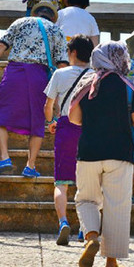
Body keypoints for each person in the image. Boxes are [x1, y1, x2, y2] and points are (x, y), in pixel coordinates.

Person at [68, 41, 134, 267]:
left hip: (88, 152)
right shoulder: (127, 85)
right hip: (119, 153)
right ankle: (111, 263)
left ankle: (92, 237)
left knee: (86, 199)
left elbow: (73, 118)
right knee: (117, 206)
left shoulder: (87, 84)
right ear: (121, 59)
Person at [0, 1, 67, 177]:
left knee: (0, 115)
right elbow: (62, 63)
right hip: (39, 76)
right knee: (37, 120)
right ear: (52, 17)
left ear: (34, 14)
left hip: (15, 72)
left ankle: (4, 157)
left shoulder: (19, 22)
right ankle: (30, 166)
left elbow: (1, 45)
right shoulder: (56, 31)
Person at [43, 35, 95, 246]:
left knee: (61, 182)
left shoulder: (60, 74)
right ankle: (85, 227)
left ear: (72, 53)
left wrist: (51, 121)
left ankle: (63, 221)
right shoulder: (96, 75)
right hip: (90, 130)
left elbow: (48, 105)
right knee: (88, 183)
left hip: (65, 127)